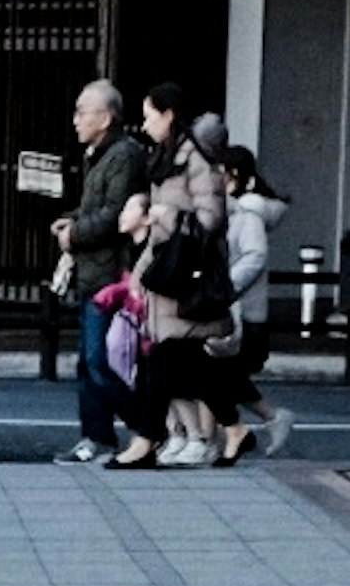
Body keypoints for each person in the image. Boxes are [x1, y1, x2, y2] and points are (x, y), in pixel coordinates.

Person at [111, 89, 230, 470]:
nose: (145, 125)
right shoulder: (163, 159)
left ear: (170, 115)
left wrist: (164, 212)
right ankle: (236, 426)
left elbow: (211, 220)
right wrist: (141, 274)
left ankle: (147, 440)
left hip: (187, 277)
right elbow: (159, 231)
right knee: (184, 365)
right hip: (167, 274)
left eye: (150, 116)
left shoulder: (196, 160)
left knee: (165, 361)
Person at [49, 79, 152, 465]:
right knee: (89, 361)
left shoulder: (123, 155)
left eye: (82, 111)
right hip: (93, 272)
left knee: (103, 360)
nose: (76, 119)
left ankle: (146, 429)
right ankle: (97, 436)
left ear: (105, 118)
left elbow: (114, 215)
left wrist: (74, 234)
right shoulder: (101, 154)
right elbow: (96, 207)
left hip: (110, 275)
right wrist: (69, 221)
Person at [206, 145, 295, 468]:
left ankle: (262, 422)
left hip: (242, 311)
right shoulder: (239, 209)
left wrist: (225, 285)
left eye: (219, 171)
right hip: (240, 309)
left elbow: (254, 256)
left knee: (222, 376)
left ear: (233, 175)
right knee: (225, 377)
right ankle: (266, 421)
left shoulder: (248, 211)